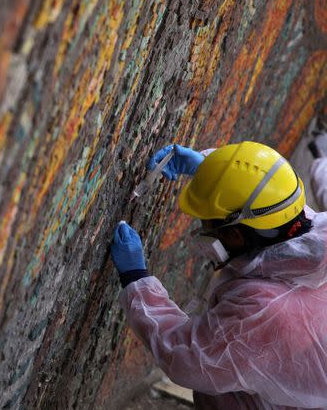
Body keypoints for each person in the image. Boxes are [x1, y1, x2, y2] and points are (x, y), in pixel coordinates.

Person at [111, 140, 327, 409]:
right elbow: (267, 200)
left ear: (235, 234)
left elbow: (187, 356)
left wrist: (136, 280)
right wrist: (211, 173)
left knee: (223, 392)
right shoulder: (309, 230)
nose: (205, 229)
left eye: (208, 224)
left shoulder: (262, 315)